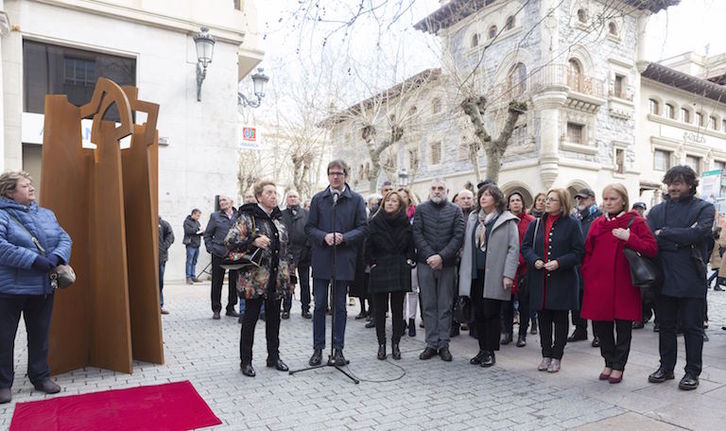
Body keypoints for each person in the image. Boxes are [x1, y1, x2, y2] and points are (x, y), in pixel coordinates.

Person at [0, 171, 72, 404]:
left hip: (42, 288)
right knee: (4, 339)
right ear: (10, 192)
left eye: (31, 184)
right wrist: (35, 261)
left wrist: (57, 257)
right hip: (9, 291)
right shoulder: (2, 215)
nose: (31, 188)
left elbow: (65, 238)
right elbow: (2, 247)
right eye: (25, 186)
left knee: (40, 336)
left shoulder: (46, 214)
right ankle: (2, 384)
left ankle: (40, 377)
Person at [646, 165, 715, 390]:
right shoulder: (656, 211)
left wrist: (665, 233)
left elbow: (698, 233)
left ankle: (692, 372)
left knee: (692, 328)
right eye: (671, 182)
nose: (673, 187)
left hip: (692, 277)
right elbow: (650, 240)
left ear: (690, 185)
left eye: (679, 182)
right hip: (663, 275)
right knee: (665, 326)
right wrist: (683, 237)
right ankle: (666, 368)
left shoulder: (705, 208)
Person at [581, 184, 658, 384]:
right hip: (598, 284)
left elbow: (651, 248)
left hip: (624, 284)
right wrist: (588, 274)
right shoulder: (597, 223)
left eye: (613, 199)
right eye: (605, 199)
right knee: (601, 326)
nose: (608, 203)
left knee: (623, 327)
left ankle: (619, 365)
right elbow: (588, 252)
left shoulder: (636, 222)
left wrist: (629, 237)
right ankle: (608, 361)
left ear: (623, 200)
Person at [225, 180, 292, 377]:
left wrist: (291, 278)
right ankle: (245, 361)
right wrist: (253, 241)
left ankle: (273, 357)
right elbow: (229, 241)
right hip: (254, 281)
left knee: (274, 321)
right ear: (259, 196)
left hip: (276, 280)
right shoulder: (248, 217)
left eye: (275, 192)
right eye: (269, 192)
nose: (274, 196)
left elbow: (287, 251)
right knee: (250, 321)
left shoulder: (278, 219)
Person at [306, 160, 367, 367]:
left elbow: (363, 228)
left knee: (340, 306)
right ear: (328, 176)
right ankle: (318, 348)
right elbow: (309, 228)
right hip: (323, 258)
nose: (335, 177)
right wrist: (324, 236)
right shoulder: (318, 199)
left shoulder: (356, 200)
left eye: (339, 174)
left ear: (346, 175)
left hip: (343, 259)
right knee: (320, 304)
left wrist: (345, 237)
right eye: (332, 174)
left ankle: (338, 349)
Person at [522, 188, 584, 373]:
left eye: (553, 200)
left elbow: (578, 252)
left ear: (562, 203)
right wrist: (535, 260)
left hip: (562, 280)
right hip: (540, 279)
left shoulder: (572, 224)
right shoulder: (536, 224)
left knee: (561, 319)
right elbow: (525, 247)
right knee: (543, 320)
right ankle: (546, 354)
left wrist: (559, 262)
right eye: (547, 199)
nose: (547, 202)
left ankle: (557, 356)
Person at [458, 184, 519, 368]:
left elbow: (513, 249)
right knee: (479, 314)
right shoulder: (474, 219)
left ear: (496, 198)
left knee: (491, 313)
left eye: (487, 195)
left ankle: (490, 352)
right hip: (475, 274)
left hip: (496, 274)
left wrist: (508, 274)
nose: (483, 198)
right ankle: (482, 349)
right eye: (481, 195)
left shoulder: (507, 220)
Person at [413, 178, 465, 362]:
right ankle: (431, 343)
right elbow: (417, 234)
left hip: (447, 265)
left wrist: (442, 257)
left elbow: (458, 236)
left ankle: (443, 344)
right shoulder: (421, 209)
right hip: (425, 263)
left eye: (440, 188)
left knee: (445, 305)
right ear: (430, 190)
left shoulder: (455, 210)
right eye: (434, 188)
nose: (437, 191)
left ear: (447, 190)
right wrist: (430, 257)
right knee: (428, 305)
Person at [365, 191, 415, 360]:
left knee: (397, 309)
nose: (390, 203)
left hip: (399, 266)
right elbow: (368, 246)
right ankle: (381, 344)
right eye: (387, 201)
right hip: (380, 267)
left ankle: (395, 344)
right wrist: (372, 263)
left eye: (394, 201)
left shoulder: (405, 223)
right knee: (379, 310)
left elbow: (411, 245)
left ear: (400, 205)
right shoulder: (374, 222)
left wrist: (408, 261)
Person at [569, 188, 603, 347]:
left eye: (583, 198)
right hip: (576, 266)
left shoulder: (599, 217)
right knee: (577, 300)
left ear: (592, 199)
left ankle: (598, 334)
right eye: (578, 199)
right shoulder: (576, 217)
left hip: (592, 265)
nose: (580, 201)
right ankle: (580, 329)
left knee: (594, 301)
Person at [502, 191, 535, 347]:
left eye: (518, 200)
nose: (515, 203)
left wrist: (520, 260)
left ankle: (522, 334)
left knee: (524, 303)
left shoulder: (531, 221)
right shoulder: (504, 221)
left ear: (522, 203)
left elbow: (530, 245)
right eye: (512, 200)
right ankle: (507, 332)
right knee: (506, 303)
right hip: (507, 269)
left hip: (524, 269)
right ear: (508, 204)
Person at [203, 195, 239, 320]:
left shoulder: (238, 215)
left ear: (231, 201)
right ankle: (216, 309)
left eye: (224, 200)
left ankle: (231, 307)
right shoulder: (215, 216)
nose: (222, 202)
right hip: (218, 252)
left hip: (235, 253)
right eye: (220, 201)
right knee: (217, 282)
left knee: (234, 281)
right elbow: (207, 234)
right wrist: (210, 248)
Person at [281, 190, 312, 319]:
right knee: (287, 283)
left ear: (299, 199)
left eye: (295, 197)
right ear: (286, 199)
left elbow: (311, 231)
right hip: (287, 254)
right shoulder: (281, 214)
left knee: (305, 283)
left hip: (304, 253)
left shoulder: (306, 214)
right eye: (290, 197)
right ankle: (286, 308)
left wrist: (307, 248)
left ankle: (306, 308)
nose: (292, 199)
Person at [451, 189, 475, 338]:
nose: (466, 201)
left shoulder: (477, 216)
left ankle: (472, 324)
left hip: (471, 261)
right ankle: (454, 325)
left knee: (471, 294)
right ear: (457, 200)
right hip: (454, 260)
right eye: (463, 198)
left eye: (469, 198)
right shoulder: (452, 214)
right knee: (453, 294)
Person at [398, 187, 419, 337]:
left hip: (413, 256)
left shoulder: (416, 215)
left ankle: (412, 319)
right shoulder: (393, 215)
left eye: (404, 197)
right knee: (400, 291)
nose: (401, 199)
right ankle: (402, 319)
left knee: (412, 290)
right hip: (398, 257)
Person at [158, 215, 174, 315]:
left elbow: (171, 236)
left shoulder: (163, 223)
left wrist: (164, 247)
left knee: (159, 282)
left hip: (160, 258)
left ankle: (159, 305)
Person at [183, 209, 204, 284]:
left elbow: (197, 232)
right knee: (189, 261)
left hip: (197, 244)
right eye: (198, 215)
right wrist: (197, 229)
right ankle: (188, 278)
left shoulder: (197, 222)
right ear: (193, 214)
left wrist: (202, 232)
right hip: (190, 244)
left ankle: (193, 276)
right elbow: (188, 231)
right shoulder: (187, 222)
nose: (198, 217)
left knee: (194, 261)